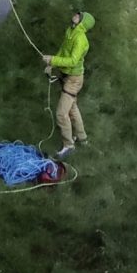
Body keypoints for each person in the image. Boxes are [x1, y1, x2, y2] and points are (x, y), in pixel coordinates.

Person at [42, 10, 96, 160]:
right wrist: (52, 65)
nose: (75, 15)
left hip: (74, 79)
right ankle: (82, 138)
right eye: (77, 14)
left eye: (79, 16)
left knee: (61, 113)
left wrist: (52, 60)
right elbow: (63, 50)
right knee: (72, 108)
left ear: (82, 22)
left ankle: (69, 145)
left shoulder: (80, 39)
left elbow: (72, 61)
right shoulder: (70, 31)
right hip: (67, 76)